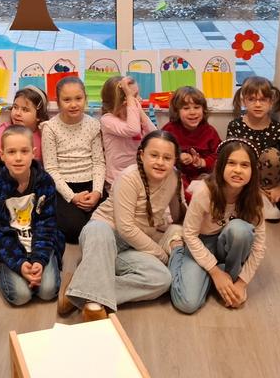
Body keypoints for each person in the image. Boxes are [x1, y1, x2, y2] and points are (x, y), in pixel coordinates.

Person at [58, 130, 185, 318]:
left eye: (167, 158)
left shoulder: (174, 177)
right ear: (141, 155)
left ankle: (80, 288)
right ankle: (92, 302)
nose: (160, 162)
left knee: (162, 279)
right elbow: (126, 228)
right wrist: (160, 253)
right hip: (106, 236)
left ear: (175, 160)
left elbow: (177, 216)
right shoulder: (129, 177)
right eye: (154, 155)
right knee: (98, 229)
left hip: (135, 246)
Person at [169, 138, 266, 313]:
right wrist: (215, 272)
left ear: (253, 170)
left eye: (245, 165)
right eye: (231, 163)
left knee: (241, 230)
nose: (238, 170)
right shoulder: (205, 191)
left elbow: (259, 246)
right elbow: (190, 234)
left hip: (226, 243)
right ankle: (177, 249)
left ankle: (228, 276)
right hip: (201, 241)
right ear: (220, 166)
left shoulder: (254, 198)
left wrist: (242, 283)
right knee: (187, 303)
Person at [0, 125, 64, 306]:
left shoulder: (45, 182)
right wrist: (19, 264)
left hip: (39, 244)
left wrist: (39, 260)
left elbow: (47, 225)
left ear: (33, 153)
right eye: (11, 152)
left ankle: (42, 266)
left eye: (24, 151)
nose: (18, 157)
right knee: (21, 296)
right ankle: (1, 268)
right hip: (11, 249)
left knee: (48, 292)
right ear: (2, 155)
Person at [0, 85, 49, 258]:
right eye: (15, 107)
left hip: (28, 191)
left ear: (39, 116)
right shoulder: (5, 131)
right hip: (5, 189)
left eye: (25, 109)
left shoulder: (46, 134)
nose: (17, 113)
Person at [41, 77, 105, 243]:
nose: (74, 104)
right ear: (58, 102)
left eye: (78, 98)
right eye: (67, 100)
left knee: (105, 223)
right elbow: (51, 169)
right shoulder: (50, 128)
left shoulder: (93, 125)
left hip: (91, 184)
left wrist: (97, 192)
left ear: (85, 99)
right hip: (64, 187)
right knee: (74, 229)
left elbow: (99, 162)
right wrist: (72, 197)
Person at [225, 77, 280, 221]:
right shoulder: (235, 126)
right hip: (242, 178)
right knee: (236, 156)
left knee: (272, 155)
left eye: (263, 100)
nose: (258, 104)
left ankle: (264, 199)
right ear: (244, 101)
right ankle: (242, 200)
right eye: (252, 99)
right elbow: (230, 157)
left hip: (266, 183)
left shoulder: (279, 129)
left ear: (271, 101)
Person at [161, 86, 221, 198]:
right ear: (177, 111)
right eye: (186, 108)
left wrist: (202, 162)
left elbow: (219, 156)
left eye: (197, 107)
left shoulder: (210, 131)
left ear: (203, 109)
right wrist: (178, 157)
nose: (192, 112)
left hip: (204, 176)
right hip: (178, 177)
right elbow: (161, 154)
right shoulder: (169, 130)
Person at [99, 75, 156, 190]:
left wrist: (140, 112)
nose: (140, 99)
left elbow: (154, 136)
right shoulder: (107, 120)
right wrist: (131, 98)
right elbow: (133, 130)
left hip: (138, 177)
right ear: (124, 101)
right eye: (136, 95)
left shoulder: (134, 117)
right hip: (117, 180)